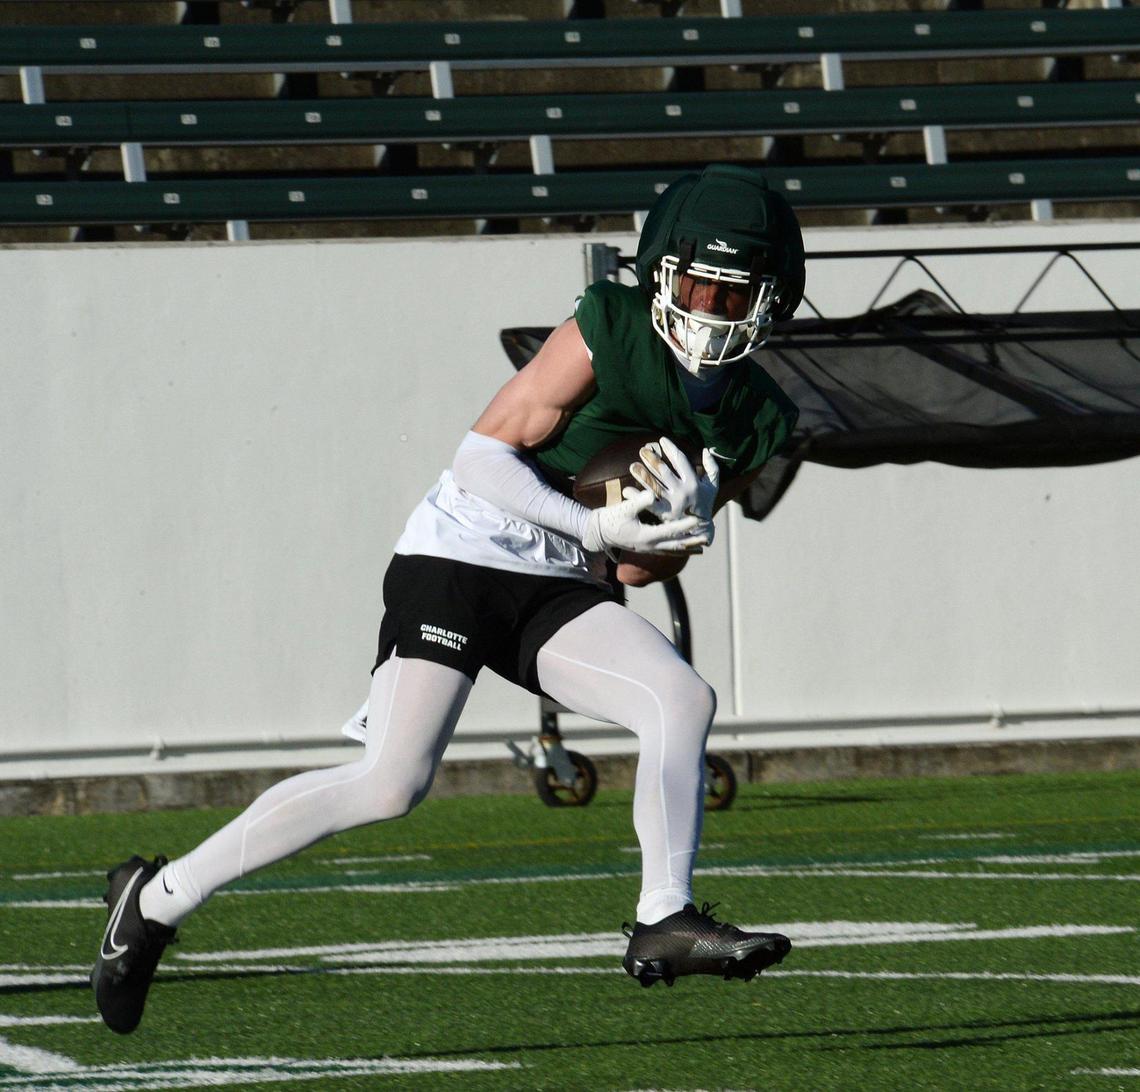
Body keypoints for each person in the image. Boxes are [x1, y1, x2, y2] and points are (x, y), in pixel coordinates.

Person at [91, 163, 804, 1034]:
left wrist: (674, 532)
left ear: (774, 303)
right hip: (465, 549)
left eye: (735, 297)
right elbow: (480, 457)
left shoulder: (756, 415)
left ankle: (663, 917)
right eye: (698, 285)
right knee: (392, 782)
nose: (709, 311)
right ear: (661, 273)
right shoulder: (609, 325)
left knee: (680, 697)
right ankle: (156, 899)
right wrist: (598, 533)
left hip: (560, 577)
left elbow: (638, 571)